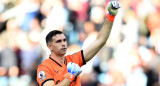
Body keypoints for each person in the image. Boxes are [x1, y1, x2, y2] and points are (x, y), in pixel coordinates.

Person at [37, 1, 120, 86]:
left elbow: (100, 41)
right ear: (49, 46)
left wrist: (111, 16)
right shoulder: (44, 68)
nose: (63, 44)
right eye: (58, 41)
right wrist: (70, 76)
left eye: (64, 40)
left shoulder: (73, 60)